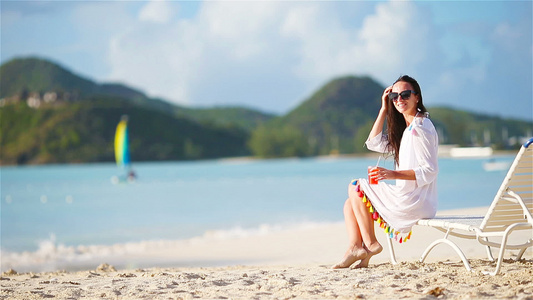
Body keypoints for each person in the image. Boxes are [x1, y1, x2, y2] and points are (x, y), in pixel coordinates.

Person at [332, 75, 439, 269]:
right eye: (395, 96)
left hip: (416, 201)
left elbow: (429, 171)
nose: (399, 99)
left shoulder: (421, 128)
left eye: (405, 94)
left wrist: (392, 174)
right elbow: (374, 143)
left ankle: (370, 244)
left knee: (355, 186)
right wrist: (384, 109)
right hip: (409, 197)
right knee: (350, 204)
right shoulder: (407, 129)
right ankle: (356, 248)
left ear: (417, 97)